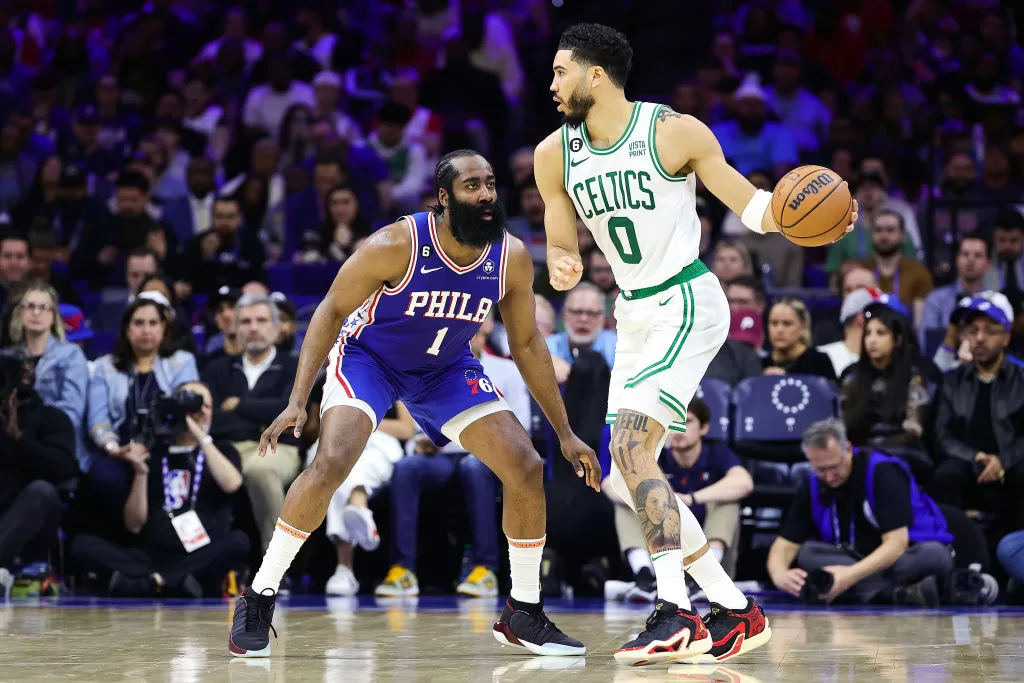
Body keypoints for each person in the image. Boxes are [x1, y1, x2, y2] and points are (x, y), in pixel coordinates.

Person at [534, 23, 855, 664]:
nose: (552, 84)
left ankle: (674, 611)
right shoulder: (553, 154)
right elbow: (558, 231)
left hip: (684, 297)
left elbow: (754, 206)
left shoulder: (672, 131)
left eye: (560, 71)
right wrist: (563, 260)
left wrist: (808, 217)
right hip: (634, 312)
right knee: (628, 471)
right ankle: (734, 608)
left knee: (629, 448)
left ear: (596, 74)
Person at [228, 151, 599, 658]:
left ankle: (523, 611)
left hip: (446, 367)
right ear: (443, 198)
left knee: (525, 466)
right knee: (334, 460)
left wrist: (564, 432)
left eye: (490, 183)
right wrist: (298, 399)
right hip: (370, 360)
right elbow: (330, 310)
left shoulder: (510, 256)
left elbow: (528, 345)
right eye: (472, 186)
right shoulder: (396, 243)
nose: (486, 194)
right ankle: (260, 593)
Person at [767, 420, 958, 606]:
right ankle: (899, 593)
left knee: (935, 555)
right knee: (808, 553)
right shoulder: (813, 484)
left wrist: (847, 578)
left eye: (834, 467)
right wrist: (779, 575)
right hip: (851, 558)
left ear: (848, 450)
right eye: (820, 470)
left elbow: (897, 544)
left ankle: (866, 591)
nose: (829, 477)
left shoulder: (883, 472)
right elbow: (784, 545)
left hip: (899, 557)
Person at [606, 397, 752, 595]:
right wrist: (658, 498)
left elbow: (744, 483)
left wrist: (691, 499)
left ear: (704, 428)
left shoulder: (717, 452)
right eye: (672, 424)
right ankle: (643, 575)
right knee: (626, 499)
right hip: (664, 550)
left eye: (687, 421)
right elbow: (610, 484)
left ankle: (707, 576)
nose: (678, 429)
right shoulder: (656, 456)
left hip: (708, 549)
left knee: (727, 500)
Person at [840, 303, 932, 480]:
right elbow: (843, 423)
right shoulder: (851, 378)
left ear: (897, 340)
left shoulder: (913, 378)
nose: (872, 340)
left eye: (881, 333)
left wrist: (875, 450)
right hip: (862, 448)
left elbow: (913, 430)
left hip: (904, 450)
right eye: (868, 334)